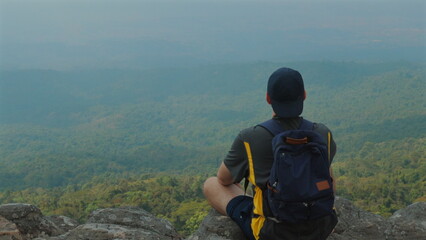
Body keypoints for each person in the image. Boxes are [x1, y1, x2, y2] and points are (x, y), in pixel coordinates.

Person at [203, 67, 338, 240]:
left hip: (272, 232)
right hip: (320, 227)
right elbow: (329, 180)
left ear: (268, 98)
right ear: (304, 95)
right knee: (327, 167)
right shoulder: (322, 133)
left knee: (211, 184)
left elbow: (224, 179)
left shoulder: (249, 137)